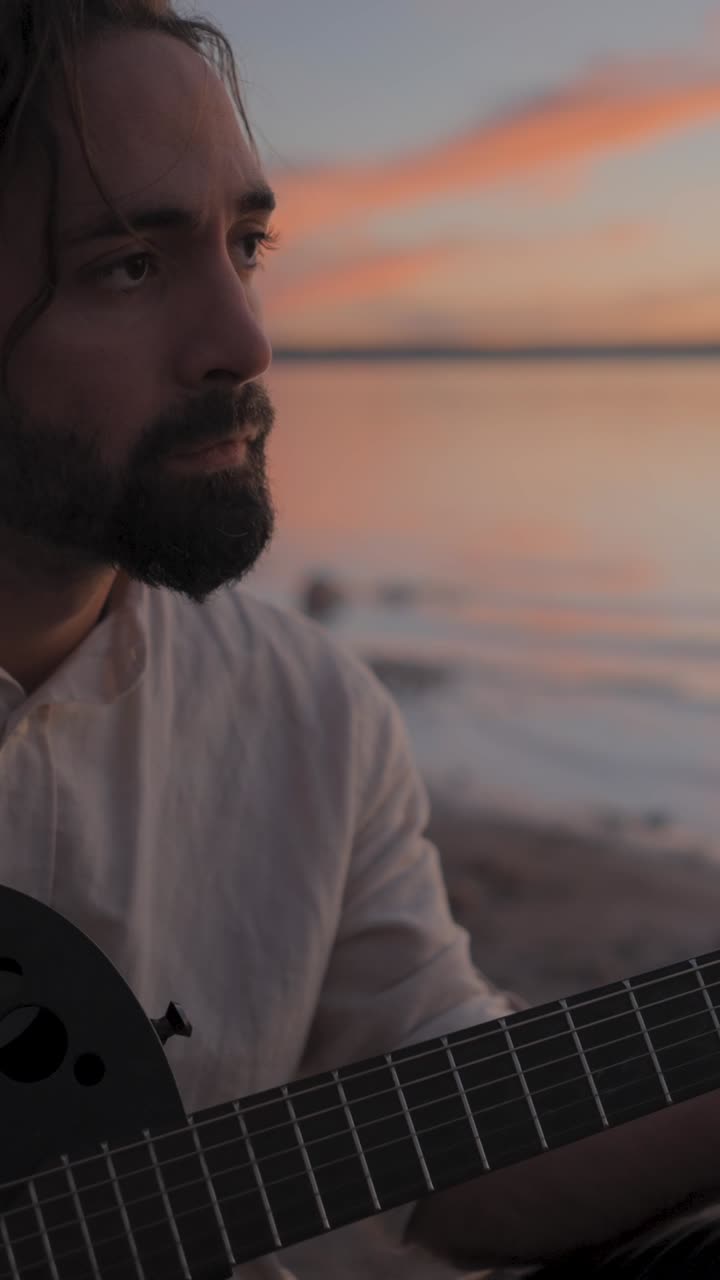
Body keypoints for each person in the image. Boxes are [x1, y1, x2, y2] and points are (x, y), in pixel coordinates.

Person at [1, 3, 720, 1277]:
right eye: (130, 262)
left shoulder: (312, 721)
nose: (247, 341)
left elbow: (451, 1156)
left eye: (246, 243)